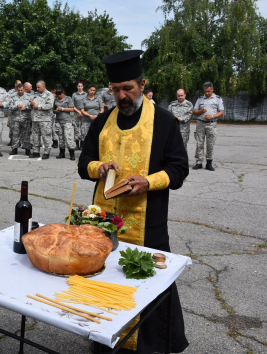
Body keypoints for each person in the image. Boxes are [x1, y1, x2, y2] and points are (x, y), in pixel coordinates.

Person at [78, 50, 189, 354]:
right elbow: (83, 162)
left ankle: (151, 345)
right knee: (103, 279)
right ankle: (104, 339)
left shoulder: (164, 122)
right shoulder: (101, 121)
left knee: (149, 284)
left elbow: (179, 169)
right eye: (116, 90)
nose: (122, 96)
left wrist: (149, 182)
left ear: (142, 83)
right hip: (102, 222)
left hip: (147, 222)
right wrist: (97, 168)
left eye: (128, 88)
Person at [192, 82, 224, 171]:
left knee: (210, 144)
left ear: (212, 89)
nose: (206, 93)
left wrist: (212, 116)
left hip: (211, 124)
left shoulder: (217, 99)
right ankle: (199, 162)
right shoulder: (200, 99)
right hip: (200, 123)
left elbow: (221, 112)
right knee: (199, 143)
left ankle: (209, 163)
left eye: (208, 91)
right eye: (205, 91)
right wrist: (201, 111)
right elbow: (194, 112)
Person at [29, 80, 54, 159]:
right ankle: (36, 151)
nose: (37, 88)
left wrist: (38, 106)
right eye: (36, 87)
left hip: (45, 120)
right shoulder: (35, 95)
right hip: (35, 119)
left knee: (46, 136)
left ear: (43, 86)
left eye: (38, 87)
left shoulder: (49, 95)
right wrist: (31, 104)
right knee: (35, 136)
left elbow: (49, 105)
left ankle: (46, 152)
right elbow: (30, 104)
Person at [7, 83, 33, 156]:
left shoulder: (29, 97)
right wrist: (16, 106)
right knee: (15, 134)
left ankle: (27, 149)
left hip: (26, 118)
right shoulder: (12, 96)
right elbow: (9, 107)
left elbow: (32, 107)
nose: (20, 92)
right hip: (16, 118)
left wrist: (26, 108)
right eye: (19, 90)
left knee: (26, 134)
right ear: (17, 89)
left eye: (22, 90)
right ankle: (14, 149)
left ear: (24, 89)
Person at [53, 87, 76, 160]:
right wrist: (56, 111)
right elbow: (53, 110)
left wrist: (62, 109)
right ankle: (61, 152)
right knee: (61, 138)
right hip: (58, 121)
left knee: (68, 137)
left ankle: (71, 153)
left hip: (66, 121)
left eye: (60, 94)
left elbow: (72, 109)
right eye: (57, 94)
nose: (59, 95)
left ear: (63, 93)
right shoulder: (55, 100)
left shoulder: (68, 99)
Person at [71, 80, 86, 150]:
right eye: (79, 86)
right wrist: (78, 112)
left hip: (84, 113)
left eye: (81, 86)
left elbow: (87, 104)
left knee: (83, 129)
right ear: (77, 87)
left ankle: (82, 144)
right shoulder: (74, 95)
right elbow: (72, 105)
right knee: (76, 129)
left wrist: (82, 112)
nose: (80, 87)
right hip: (76, 113)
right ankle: (77, 144)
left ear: (83, 87)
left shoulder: (86, 94)